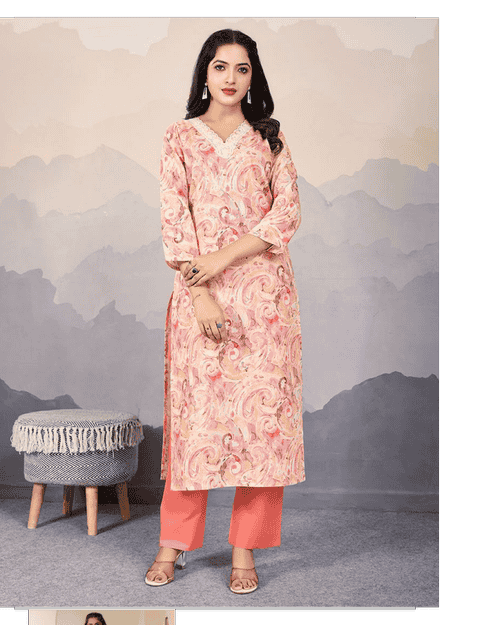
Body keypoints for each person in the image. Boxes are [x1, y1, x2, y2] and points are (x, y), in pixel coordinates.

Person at [145, 29, 305, 594]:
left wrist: (223, 257)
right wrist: (201, 291)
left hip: (265, 301)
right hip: (199, 297)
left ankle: (244, 551)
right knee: (195, 427)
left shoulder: (271, 139)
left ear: (253, 76)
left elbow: (286, 214)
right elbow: (174, 222)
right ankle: (173, 543)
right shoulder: (179, 137)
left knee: (262, 428)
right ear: (205, 73)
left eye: (242, 68)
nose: (231, 78)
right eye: (220, 66)